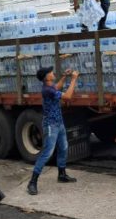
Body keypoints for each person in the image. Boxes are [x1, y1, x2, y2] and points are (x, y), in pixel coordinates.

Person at [27, 66, 80, 195]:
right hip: (51, 125)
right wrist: (73, 79)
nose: (52, 73)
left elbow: (57, 87)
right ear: (46, 77)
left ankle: (62, 174)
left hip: (59, 123)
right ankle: (32, 182)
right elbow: (67, 96)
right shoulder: (46, 90)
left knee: (63, 147)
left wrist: (64, 77)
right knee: (47, 152)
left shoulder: (50, 87)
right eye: (50, 72)